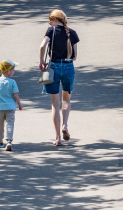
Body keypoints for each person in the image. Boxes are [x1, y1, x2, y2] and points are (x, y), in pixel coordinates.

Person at [38, 9, 79, 146]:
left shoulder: (51, 31)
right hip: (68, 67)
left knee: (55, 103)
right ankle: (65, 125)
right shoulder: (72, 33)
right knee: (66, 99)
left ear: (56, 20)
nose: (49, 23)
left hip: (54, 67)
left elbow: (42, 46)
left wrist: (41, 61)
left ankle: (57, 138)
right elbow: (74, 56)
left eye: (50, 20)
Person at [0, 60, 23, 151]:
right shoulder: (12, 82)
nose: (13, 71)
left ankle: (0, 141)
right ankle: (9, 141)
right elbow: (15, 95)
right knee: (10, 124)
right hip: (10, 107)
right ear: (8, 71)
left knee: (0, 124)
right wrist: (19, 104)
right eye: (13, 69)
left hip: (0, 108)